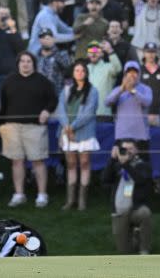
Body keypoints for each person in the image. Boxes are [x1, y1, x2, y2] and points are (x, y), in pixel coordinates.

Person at [0, 52, 57, 208]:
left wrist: (47, 110)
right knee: (16, 161)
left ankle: (42, 195)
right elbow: (2, 103)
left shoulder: (43, 81)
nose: (25, 64)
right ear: (18, 63)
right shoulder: (8, 81)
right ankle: (19, 194)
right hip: (11, 127)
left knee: (38, 161)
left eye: (29, 61)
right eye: (22, 61)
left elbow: (53, 99)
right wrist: (2, 123)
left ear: (33, 64)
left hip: (35, 127)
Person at [55, 59, 99, 211]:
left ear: (86, 73)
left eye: (82, 71)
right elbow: (60, 109)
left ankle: (82, 201)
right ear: (73, 73)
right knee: (71, 164)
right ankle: (70, 200)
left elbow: (88, 113)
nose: (79, 73)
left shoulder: (93, 91)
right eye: (77, 70)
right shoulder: (66, 90)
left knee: (85, 163)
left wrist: (71, 127)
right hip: (68, 132)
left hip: (85, 133)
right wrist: (67, 127)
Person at [101, 139, 153, 255]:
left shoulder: (143, 165)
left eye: (131, 149)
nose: (128, 151)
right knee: (124, 251)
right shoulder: (116, 165)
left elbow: (140, 180)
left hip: (136, 208)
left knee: (145, 213)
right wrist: (112, 159)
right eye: (125, 149)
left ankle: (144, 249)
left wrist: (126, 165)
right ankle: (135, 235)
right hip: (120, 211)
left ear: (136, 150)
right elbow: (104, 180)